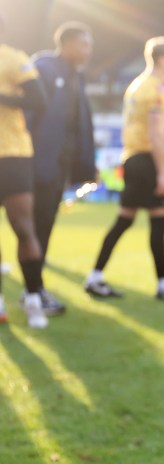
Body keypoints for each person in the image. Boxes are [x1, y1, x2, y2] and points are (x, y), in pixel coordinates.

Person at [84, 36, 164, 301]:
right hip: (145, 160)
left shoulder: (135, 85)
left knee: (125, 219)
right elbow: (155, 133)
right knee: (157, 219)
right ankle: (163, 285)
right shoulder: (157, 89)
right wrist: (162, 172)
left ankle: (95, 277)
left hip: (131, 158)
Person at [25, 21, 98, 316]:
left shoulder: (74, 77)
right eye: (83, 44)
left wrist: (86, 165)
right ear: (65, 44)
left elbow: (79, 127)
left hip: (55, 168)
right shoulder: (42, 68)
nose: (88, 51)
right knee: (30, 228)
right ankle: (33, 291)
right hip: (31, 165)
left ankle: (34, 289)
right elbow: (29, 115)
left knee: (41, 228)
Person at [0, 17, 49, 328]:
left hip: (12, 154)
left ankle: (33, 298)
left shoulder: (13, 58)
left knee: (23, 227)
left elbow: (39, 101)